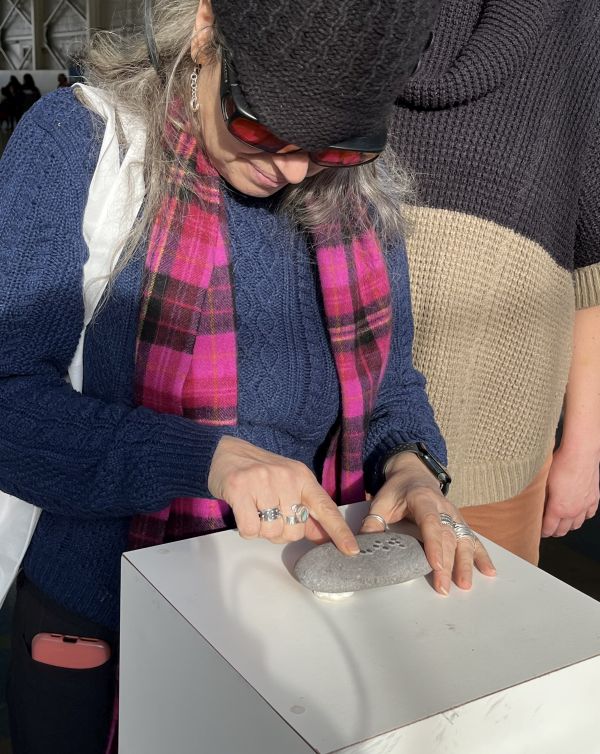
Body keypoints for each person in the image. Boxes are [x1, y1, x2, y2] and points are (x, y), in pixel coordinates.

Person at [0, 1, 495, 752]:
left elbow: (393, 384)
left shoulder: (353, 196)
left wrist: (412, 469)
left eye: (338, 148)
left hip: (300, 624)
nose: (295, 168)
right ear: (205, 30)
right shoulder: (78, 145)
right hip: (100, 616)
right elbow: (8, 404)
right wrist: (206, 460)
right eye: (260, 126)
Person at [390, 0, 600, 565]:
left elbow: (591, 259)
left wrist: (583, 449)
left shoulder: (572, 19)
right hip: (319, 428)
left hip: (496, 444)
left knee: (477, 643)